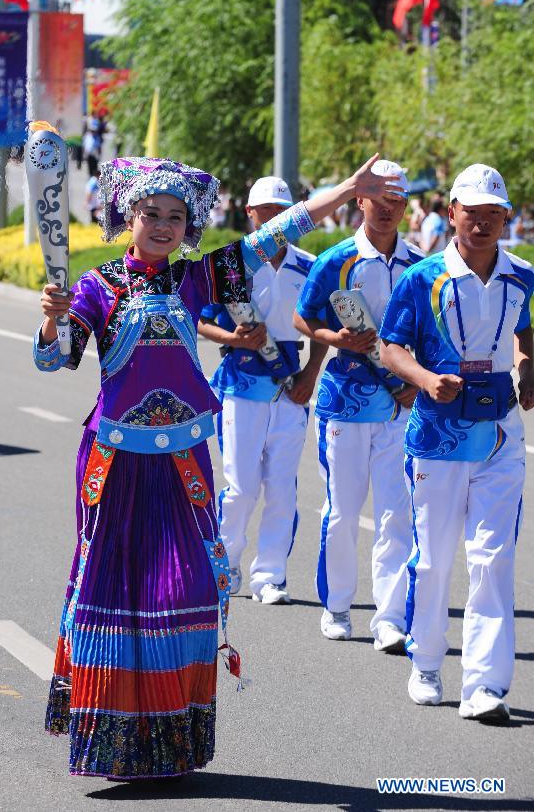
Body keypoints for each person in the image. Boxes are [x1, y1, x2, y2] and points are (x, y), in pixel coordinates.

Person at [34, 152, 400, 780]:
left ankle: (170, 740)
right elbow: (54, 361)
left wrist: (345, 190)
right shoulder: (97, 286)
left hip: (183, 463)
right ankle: (112, 744)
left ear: (188, 225)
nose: (164, 225)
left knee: (189, 591)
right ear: (129, 216)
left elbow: (276, 234)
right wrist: (53, 318)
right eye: (152, 213)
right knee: (116, 595)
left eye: (176, 216)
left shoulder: (196, 279)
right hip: (116, 462)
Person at [380, 163, 534, 722]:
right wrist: (424, 380)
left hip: (500, 432)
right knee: (435, 557)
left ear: (506, 219)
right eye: (473, 214)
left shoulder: (522, 275)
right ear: (452, 215)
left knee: (494, 558)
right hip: (437, 433)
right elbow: (390, 346)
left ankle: (486, 686)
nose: (483, 224)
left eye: (494, 215)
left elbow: (524, 329)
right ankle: (426, 662)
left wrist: (528, 367)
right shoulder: (423, 279)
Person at [293, 160, 424, 649]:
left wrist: (417, 379)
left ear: (405, 206)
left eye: (396, 201)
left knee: (397, 513)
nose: (387, 209)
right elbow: (303, 318)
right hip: (345, 403)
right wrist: (337, 339)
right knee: (344, 511)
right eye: (378, 199)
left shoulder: (420, 266)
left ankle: (389, 618)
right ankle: (338, 605)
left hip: (402, 407)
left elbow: (429, 334)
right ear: (360, 200)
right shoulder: (337, 260)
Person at [198, 176, 327, 604]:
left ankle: (270, 576)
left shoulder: (309, 265)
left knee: (282, 487)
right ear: (249, 215)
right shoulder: (232, 265)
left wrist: (311, 372)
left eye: (281, 212)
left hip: (291, 390)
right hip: (241, 385)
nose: (273, 220)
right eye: (265, 212)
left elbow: (323, 324)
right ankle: (226, 563)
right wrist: (233, 339)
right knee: (241, 486)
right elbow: (199, 319)